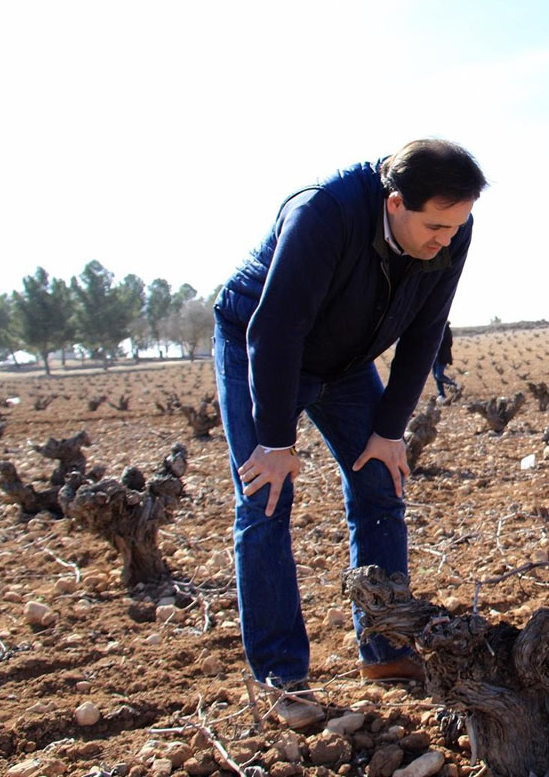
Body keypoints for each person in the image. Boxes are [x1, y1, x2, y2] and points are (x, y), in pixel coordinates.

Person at [213, 139, 487, 729]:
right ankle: (280, 677)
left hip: (344, 361)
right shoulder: (324, 213)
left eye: (457, 225)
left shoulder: (451, 230)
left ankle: (386, 648)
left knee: (380, 483)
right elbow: (276, 328)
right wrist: (277, 441)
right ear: (393, 203)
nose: (447, 238)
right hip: (258, 344)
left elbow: (425, 332)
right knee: (264, 499)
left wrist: (389, 429)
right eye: (435, 225)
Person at [432, 321, 459, 400]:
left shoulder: (446, 328)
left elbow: (449, 342)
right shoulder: (432, 326)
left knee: (439, 375)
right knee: (436, 377)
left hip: (442, 356)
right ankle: (442, 394)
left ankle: (454, 385)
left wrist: (438, 343)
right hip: (433, 356)